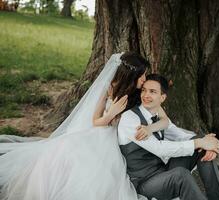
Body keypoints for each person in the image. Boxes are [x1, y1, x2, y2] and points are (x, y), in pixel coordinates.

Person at [0, 52, 168, 200]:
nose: (145, 79)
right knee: (64, 150)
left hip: (115, 143)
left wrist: (149, 128)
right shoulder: (111, 88)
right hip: (100, 134)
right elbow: (96, 121)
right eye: (142, 75)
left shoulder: (142, 94)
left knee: (96, 175)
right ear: (131, 75)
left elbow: (164, 120)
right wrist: (111, 114)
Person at [118, 74, 219, 200]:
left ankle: (218, 198)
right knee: (181, 175)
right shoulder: (130, 118)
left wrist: (209, 143)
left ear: (162, 97)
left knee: (200, 146)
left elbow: (182, 135)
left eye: (152, 92)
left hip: (163, 172)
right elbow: (159, 148)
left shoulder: (159, 117)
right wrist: (200, 143)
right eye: (144, 90)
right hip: (144, 183)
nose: (146, 95)